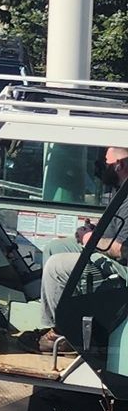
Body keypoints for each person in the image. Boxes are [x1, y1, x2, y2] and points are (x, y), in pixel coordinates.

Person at [39, 145, 128, 341]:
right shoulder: (120, 191)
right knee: (55, 247)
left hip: (123, 268)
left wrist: (90, 239)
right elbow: (115, 230)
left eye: (106, 163)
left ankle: (65, 336)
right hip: (109, 253)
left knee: (57, 266)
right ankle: (55, 323)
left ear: (118, 165)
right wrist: (94, 231)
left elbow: (124, 251)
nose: (101, 168)